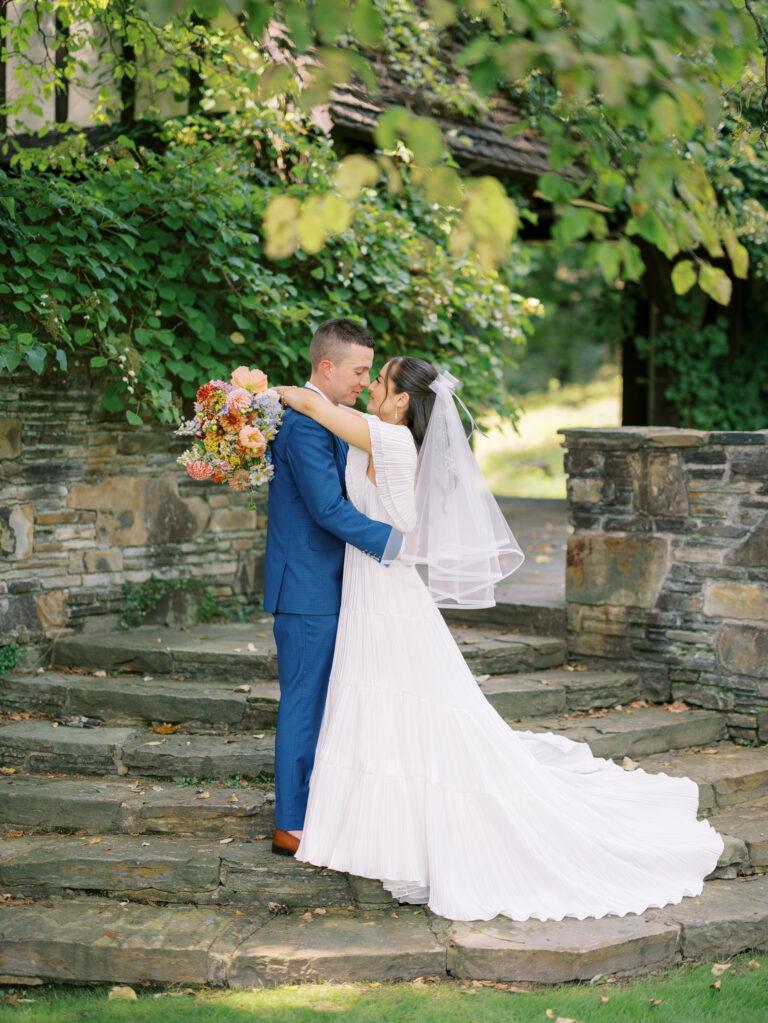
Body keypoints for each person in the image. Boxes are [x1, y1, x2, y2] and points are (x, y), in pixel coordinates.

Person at [274, 356, 725, 923]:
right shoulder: (376, 437)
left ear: (401, 402)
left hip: (389, 597)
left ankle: (401, 831)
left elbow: (315, 403)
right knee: (379, 704)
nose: (371, 388)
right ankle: (381, 829)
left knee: (401, 703)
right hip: (367, 594)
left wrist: (255, 395)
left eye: (381, 381)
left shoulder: (390, 442)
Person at [263, 319, 403, 857]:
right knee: (303, 701)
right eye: (359, 371)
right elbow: (325, 509)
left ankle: (314, 806)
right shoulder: (304, 426)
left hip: (328, 583)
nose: (365, 382)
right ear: (327, 367)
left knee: (323, 701)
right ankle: (290, 822)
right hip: (305, 587)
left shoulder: (327, 417)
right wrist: (394, 544)